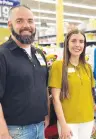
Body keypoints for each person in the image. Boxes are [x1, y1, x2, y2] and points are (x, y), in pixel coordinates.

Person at [0, 5, 49, 139]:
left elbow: (43, 86)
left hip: (40, 126)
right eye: (19, 21)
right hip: (15, 131)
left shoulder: (39, 53)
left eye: (30, 21)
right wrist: (3, 133)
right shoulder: (2, 54)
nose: (26, 25)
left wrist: (47, 115)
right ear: (10, 25)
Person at [48, 29, 95, 139]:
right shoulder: (58, 66)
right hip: (68, 122)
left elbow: (90, 96)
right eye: (73, 41)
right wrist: (63, 124)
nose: (77, 45)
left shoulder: (87, 67)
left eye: (81, 41)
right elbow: (55, 98)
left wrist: (93, 119)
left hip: (87, 120)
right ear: (67, 43)